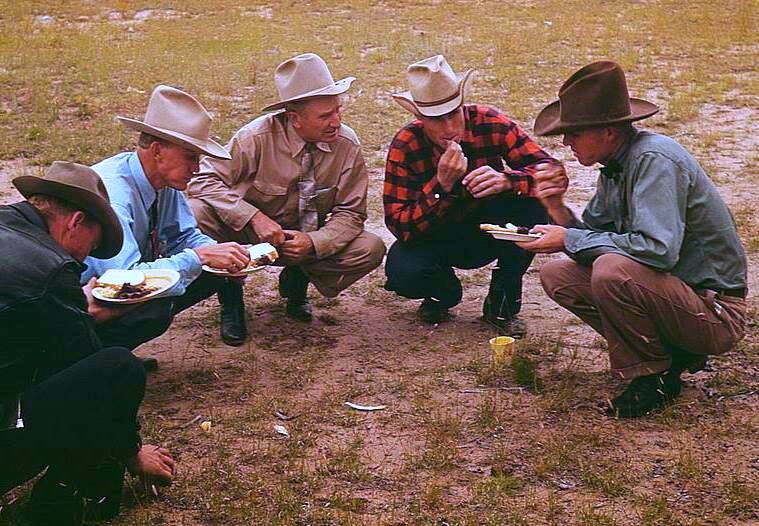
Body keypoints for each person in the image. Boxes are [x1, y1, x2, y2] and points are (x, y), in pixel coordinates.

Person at [519, 61, 747, 417]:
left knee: (612, 269)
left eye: (574, 133)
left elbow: (657, 251)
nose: (565, 142)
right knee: (558, 275)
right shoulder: (616, 165)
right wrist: (555, 206)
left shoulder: (654, 160)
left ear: (609, 132)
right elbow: (588, 239)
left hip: (714, 311)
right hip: (677, 298)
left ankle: (654, 377)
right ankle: (668, 357)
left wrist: (568, 238)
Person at [0, 162, 175, 526]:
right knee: (118, 368)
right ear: (75, 221)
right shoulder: (51, 270)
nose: (83, 259)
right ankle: (62, 501)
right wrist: (131, 451)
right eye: (90, 247)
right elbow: (92, 370)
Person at [188, 53, 385, 325]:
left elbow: (351, 212)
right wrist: (253, 218)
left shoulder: (347, 144)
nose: (337, 121)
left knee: (370, 247)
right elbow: (202, 180)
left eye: (338, 110)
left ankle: (298, 279)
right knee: (196, 213)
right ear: (294, 118)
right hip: (248, 238)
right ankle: (230, 295)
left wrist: (314, 242)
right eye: (325, 116)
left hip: (304, 239)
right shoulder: (254, 138)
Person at [382, 55, 563, 337]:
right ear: (419, 118)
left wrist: (507, 180)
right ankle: (443, 295)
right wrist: (441, 187)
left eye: (453, 113)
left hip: (492, 228)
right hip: (438, 236)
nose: (449, 127)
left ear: (463, 105)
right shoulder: (406, 144)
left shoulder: (488, 121)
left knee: (536, 204)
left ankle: (502, 305)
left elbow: (553, 174)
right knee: (403, 272)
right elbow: (399, 225)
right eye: (435, 119)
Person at [82, 85, 252, 351]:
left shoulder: (162, 180)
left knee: (212, 269)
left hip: (115, 278)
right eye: (190, 157)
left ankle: (112, 351)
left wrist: (223, 254)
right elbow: (123, 279)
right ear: (158, 150)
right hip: (80, 294)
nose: (196, 169)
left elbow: (183, 235)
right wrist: (200, 257)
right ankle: (95, 358)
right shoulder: (116, 194)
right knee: (154, 308)